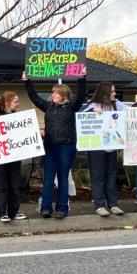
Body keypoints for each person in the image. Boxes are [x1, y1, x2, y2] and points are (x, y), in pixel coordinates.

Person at [23, 71, 86, 219]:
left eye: (56, 93)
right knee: (48, 179)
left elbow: (81, 95)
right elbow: (34, 98)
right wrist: (27, 81)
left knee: (63, 178)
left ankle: (62, 208)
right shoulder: (48, 107)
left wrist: (82, 78)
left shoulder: (72, 107)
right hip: (50, 147)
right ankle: (46, 208)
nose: (53, 95)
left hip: (66, 147)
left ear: (63, 95)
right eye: (53, 93)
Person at [83, 82, 127, 217]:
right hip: (97, 147)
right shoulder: (93, 105)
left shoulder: (117, 105)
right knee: (98, 176)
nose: (115, 93)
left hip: (112, 146)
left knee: (111, 175)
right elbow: (81, 116)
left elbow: (130, 111)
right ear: (105, 93)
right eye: (112, 91)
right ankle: (100, 205)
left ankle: (113, 204)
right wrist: (92, 112)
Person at [0, 91, 27, 222]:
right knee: (0, 185)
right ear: (7, 103)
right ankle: (1, 212)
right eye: (16, 102)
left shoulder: (19, 118)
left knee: (14, 185)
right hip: (0, 157)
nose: (18, 104)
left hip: (14, 156)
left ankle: (13, 211)